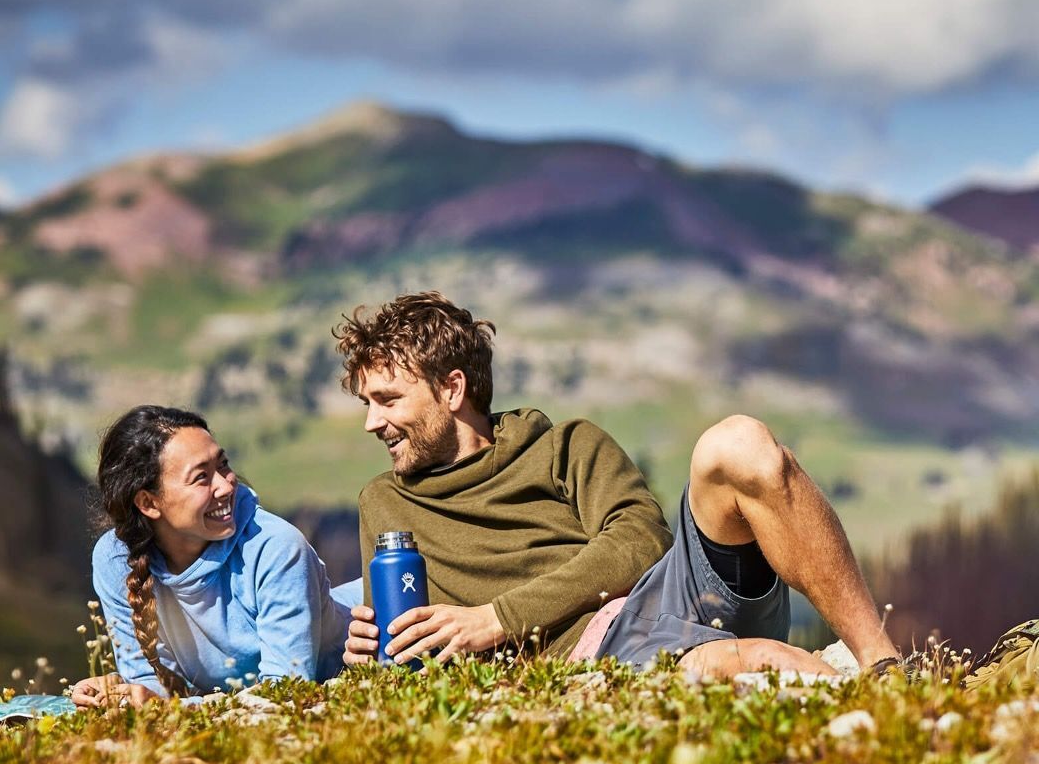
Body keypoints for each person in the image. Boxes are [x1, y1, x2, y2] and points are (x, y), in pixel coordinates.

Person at [337, 291, 900, 680]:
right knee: (748, 664)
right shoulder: (384, 503)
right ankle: (772, 668)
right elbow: (406, 641)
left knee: (738, 442)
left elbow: (640, 541)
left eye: (388, 400)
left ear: (452, 389)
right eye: (367, 404)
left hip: (670, 592)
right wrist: (372, 651)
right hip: (598, 654)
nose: (371, 423)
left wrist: (497, 618)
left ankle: (885, 665)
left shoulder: (565, 446)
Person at [71, 405, 350, 707]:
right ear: (149, 503)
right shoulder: (115, 559)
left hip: (376, 648)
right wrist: (122, 695)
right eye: (201, 477)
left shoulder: (277, 548)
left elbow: (284, 694)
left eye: (223, 464)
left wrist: (166, 708)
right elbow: (148, 686)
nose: (225, 484)